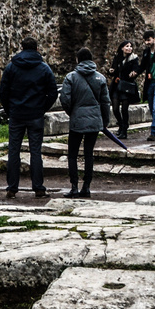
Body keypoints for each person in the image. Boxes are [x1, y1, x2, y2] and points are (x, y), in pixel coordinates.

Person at [0, 36, 56, 199]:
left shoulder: (11, 67)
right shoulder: (44, 68)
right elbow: (52, 92)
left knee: (14, 151)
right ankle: (38, 187)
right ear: (37, 49)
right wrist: (42, 107)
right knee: (35, 151)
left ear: (21, 48)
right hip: (35, 114)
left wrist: (9, 109)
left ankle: (12, 188)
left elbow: (3, 91)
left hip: (16, 113)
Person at [59, 46, 112, 198]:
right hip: (95, 120)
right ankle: (86, 186)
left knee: (72, 155)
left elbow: (65, 99)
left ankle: (74, 186)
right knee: (89, 153)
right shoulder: (100, 78)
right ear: (91, 59)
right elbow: (105, 102)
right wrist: (104, 121)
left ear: (78, 59)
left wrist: (72, 112)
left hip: (77, 119)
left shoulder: (71, 77)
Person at [109, 39, 142, 138]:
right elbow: (113, 70)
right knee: (115, 108)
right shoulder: (117, 57)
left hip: (126, 86)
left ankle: (124, 131)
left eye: (130, 46)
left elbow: (137, 69)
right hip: (117, 85)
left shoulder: (133, 58)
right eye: (127, 46)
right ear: (122, 48)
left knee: (124, 109)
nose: (129, 48)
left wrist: (134, 73)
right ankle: (121, 124)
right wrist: (111, 71)